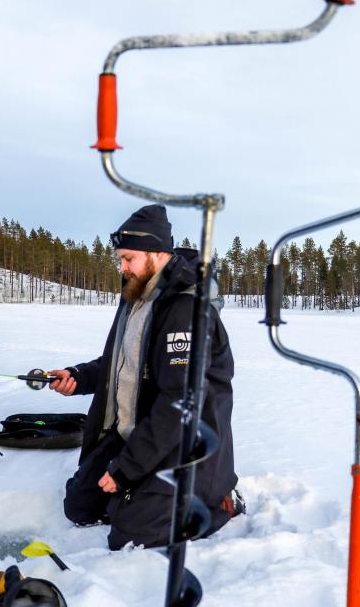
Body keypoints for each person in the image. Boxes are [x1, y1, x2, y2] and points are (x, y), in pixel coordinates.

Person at [49, 204, 242, 550]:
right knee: (79, 506)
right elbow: (122, 364)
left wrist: (126, 469)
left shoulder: (184, 308)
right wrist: (79, 377)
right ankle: (140, 495)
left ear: (157, 253)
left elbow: (177, 405)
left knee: (131, 533)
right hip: (140, 433)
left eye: (128, 259)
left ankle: (221, 503)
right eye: (120, 259)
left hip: (185, 446)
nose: (122, 268)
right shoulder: (137, 296)